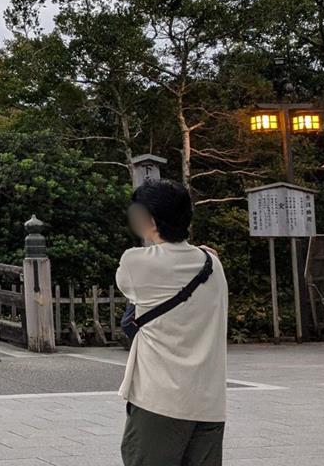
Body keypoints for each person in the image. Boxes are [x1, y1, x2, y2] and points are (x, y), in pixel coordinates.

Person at [117, 179, 228, 466]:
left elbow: (131, 288)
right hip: (209, 402)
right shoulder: (212, 263)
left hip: (160, 401)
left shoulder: (134, 263)